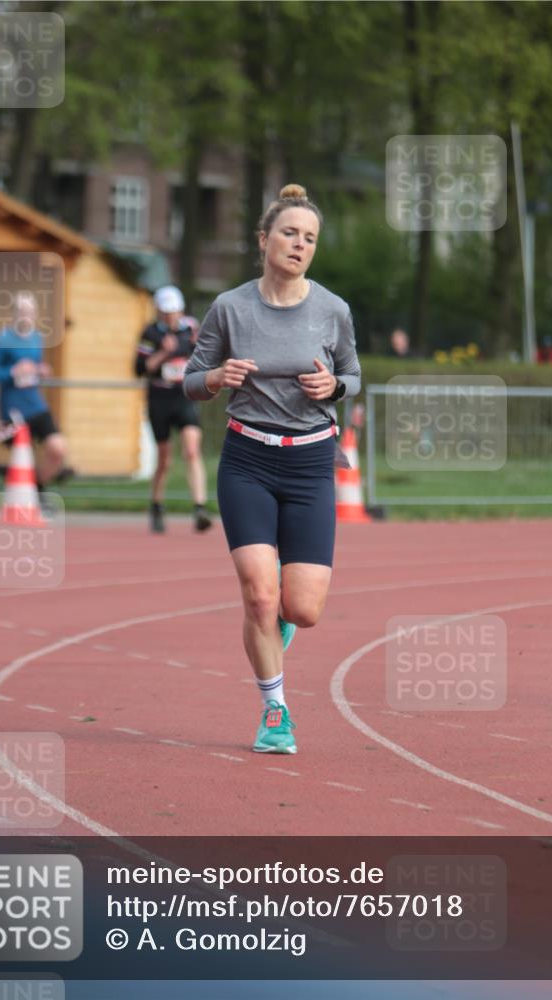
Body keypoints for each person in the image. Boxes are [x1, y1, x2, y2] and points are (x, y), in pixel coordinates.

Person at [183, 184, 361, 754]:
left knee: (301, 611)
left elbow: (354, 378)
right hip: (249, 460)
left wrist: (334, 386)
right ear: (264, 240)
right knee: (259, 596)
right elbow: (191, 379)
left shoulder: (333, 310)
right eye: (289, 233)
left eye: (309, 238)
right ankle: (275, 710)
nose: (299, 244)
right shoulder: (230, 307)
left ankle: (278, 624)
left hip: (310, 463)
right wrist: (216, 378)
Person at [135, 285, 212, 534]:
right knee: (165, 459)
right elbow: (139, 369)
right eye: (166, 312)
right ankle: (156, 504)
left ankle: (200, 507)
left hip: (184, 397)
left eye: (175, 312)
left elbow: (204, 356)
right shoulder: (149, 333)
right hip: (159, 399)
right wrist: (163, 353)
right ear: (158, 311)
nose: (171, 317)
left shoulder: (191, 328)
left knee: (191, 449)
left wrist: (197, 351)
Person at [0, 291, 69, 489]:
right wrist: (12, 371)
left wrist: (41, 370)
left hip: (36, 404)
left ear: (35, 314)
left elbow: (34, 368)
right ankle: (27, 495)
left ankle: (38, 486)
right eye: (21, 311)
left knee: (58, 449)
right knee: (23, 457)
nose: (25, 315)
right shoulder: (4, 339)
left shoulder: (37, 338)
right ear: (14, 313)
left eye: (29, 311)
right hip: (13, 408)